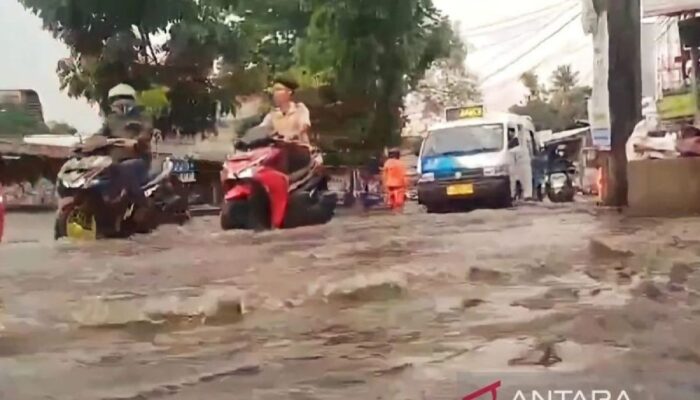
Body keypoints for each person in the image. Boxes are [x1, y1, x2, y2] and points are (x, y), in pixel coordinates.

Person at [94, 83, 154, 222]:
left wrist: (137, 142)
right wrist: (86, 143)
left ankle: (141, 204)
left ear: (133, 100)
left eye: (125, 98)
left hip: (139, 160)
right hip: (113, 162)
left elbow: (146, 132)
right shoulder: (111, 120)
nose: (121, 102)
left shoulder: (143, 117)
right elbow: (99, 135)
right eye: (117, 99)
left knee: (126, 168)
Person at [259, 76, 312, 144]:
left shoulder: (299, 109)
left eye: (278, 89)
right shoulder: (272, 115)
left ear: (289, 92)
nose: (275, 93)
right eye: (274, 90)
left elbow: (304, 126)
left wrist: (292, 135)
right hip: (281, 150)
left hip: (300, 149)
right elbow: (261, 129)